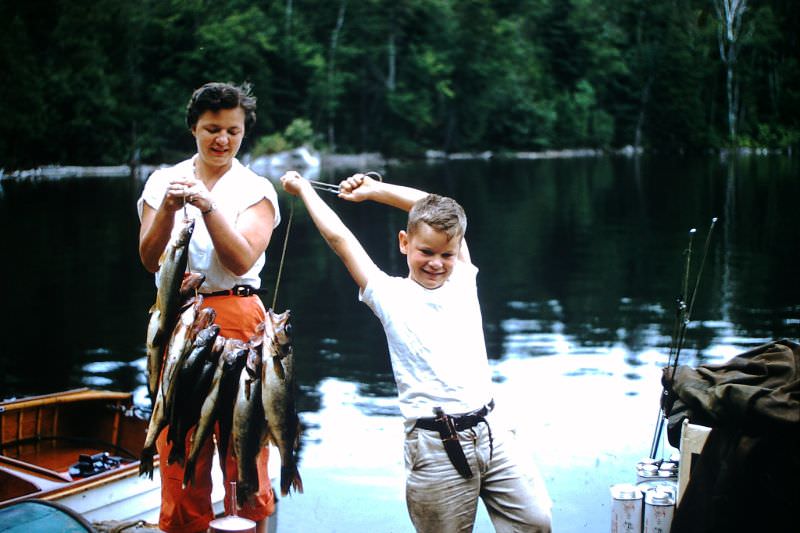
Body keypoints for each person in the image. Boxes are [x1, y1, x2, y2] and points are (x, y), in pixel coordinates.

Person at [280, 171, 552, 532]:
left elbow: (442, 207)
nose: (436, 263)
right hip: (435, 444)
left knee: (537, 522)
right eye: (426, 251)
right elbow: (339, 237)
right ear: (404, 242)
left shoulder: (463, 277)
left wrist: (376, 191)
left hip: (494, 431)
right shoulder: (386, 293)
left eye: (446, 254)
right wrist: (303, 190)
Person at [137, 82, 280, 533]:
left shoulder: (256, 188)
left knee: (244, 443)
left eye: (232, 131)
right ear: (194, 129)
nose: (222, 139)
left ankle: (252, 520)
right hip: (180, 317)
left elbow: (241, 259)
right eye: (212, 129)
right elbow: (148, 258)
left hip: (240, 316)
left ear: (244, 133)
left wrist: (208, 205)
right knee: (179, 441)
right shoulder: (163, 180)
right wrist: (169, 208)